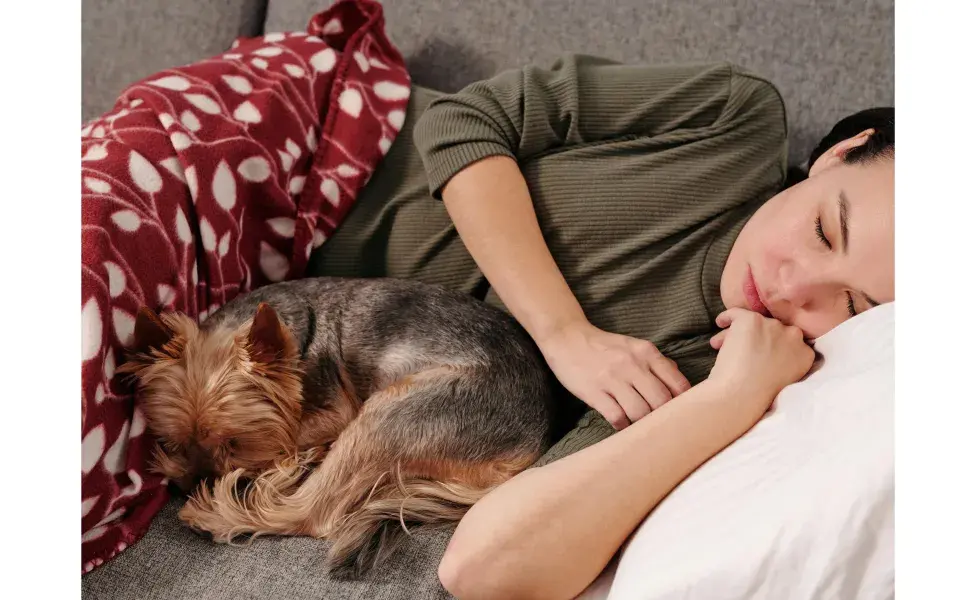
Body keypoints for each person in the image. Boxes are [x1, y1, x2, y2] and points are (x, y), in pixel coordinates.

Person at [307, 55, 894, 598]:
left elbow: (481, 566)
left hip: (285, 306)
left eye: (852, 307)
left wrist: (728, 397)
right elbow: (461, 119)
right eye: (823, 229)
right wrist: (564, 333)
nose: (791, 288)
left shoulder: (699, 376)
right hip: (316, 138)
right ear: (841, 153)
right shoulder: (735, 119)